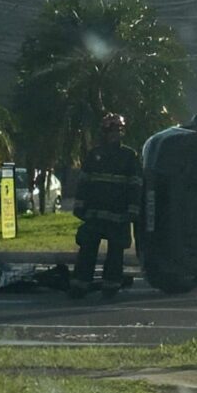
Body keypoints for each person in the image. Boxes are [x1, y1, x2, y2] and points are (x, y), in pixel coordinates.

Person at [69, 113, 142, 299]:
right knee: (87, 250)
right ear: (104, 132)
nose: (115, 134)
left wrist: (133, 210)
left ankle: (111, 286)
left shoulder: (129, 156)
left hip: (118, 215)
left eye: (118, 131)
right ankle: (80, 285)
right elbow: (84, 183)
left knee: (116, 253)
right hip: (94, 214)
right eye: (111, 131)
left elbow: (136, 185)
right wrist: (79, 206)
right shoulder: (94, 155)